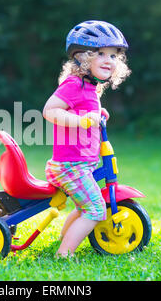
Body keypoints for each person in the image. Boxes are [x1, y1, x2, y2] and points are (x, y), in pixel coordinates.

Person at [43, 20, 131, 257]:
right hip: (70, 166)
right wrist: (81, 121)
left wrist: (95, 114)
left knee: (86, 207)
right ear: (83, 57)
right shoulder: (74, 84)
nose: (108, 60)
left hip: (80, 164)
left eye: (113, 56)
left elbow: (80, 110)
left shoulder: (90, 86)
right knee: (95, 209)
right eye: (101, 53)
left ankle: (64, 240)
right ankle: (65, 253)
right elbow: (50, 111)